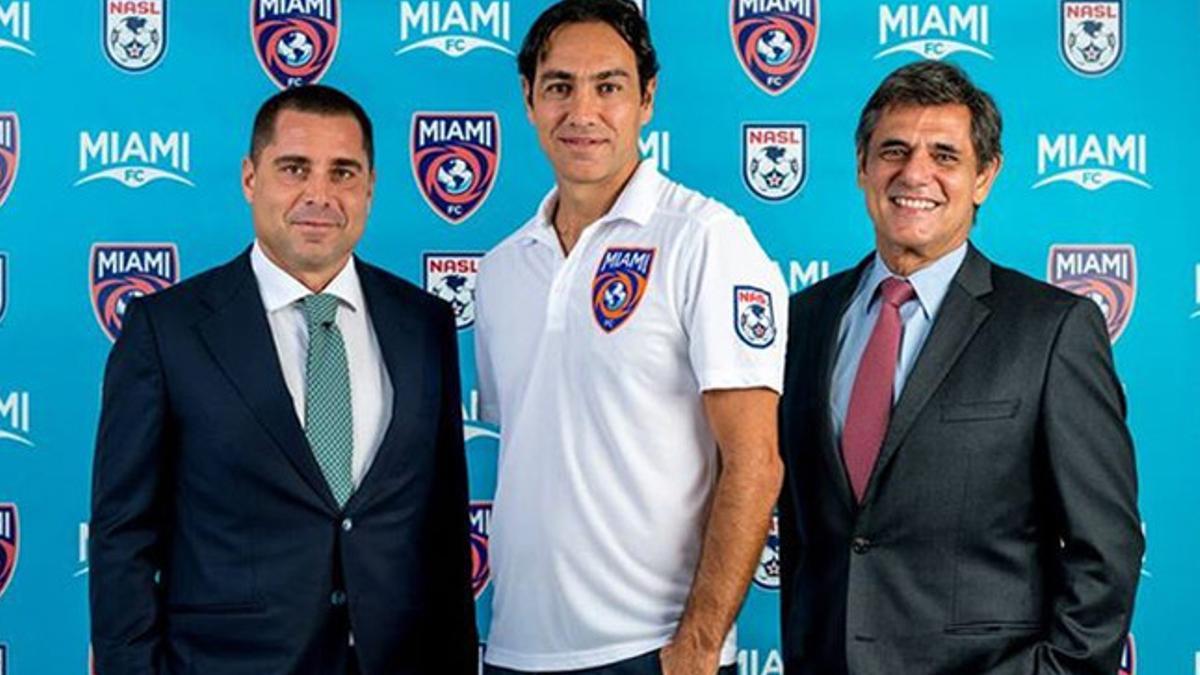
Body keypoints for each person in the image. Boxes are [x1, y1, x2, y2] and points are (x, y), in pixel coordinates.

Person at [89, 84, 477, 675]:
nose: (319, 194)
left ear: (370, 187)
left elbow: (443, 528)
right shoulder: (166, 331)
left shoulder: (423, 323)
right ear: (250, 178)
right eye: (294, 168)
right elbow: (124, 540)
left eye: (343, 173)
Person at [777, 60, 1143, 674]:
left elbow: (1105, 551)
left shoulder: (1052, 330)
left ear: (984, 177)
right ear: (863, 167)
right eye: (894, 149)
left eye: (945, 155)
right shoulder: (802, 320)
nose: (914, 172)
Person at [473, 1, 787, 673]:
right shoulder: (500, 269)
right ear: (528, 100)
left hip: (650, 650)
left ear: (647, 99)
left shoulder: (704, 239)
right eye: (559, 86)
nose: (581, 111)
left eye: (608, 86)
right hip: (514, 648)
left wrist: (699, 644)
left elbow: (756, 462)